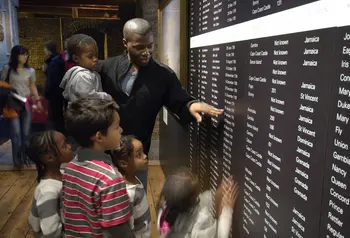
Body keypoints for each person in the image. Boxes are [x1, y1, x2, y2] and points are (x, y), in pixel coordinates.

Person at [97, 18, 223, 189]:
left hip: (137, 155)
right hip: (104, 152)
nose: (146, 52)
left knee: (137, 199)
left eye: (150, 46)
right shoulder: (106, 68)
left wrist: (191, 105)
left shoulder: (163, 75)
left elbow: (179, 101)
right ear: (125, 43)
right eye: (139, 47)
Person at [61, 98, 133, 237]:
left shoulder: (69, 168)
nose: (121, 130)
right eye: (117, 127)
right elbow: (119, 231)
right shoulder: (110, 179)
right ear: (99, 137)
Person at [157, 167, 239, 238]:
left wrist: (215, 196)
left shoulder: (166, 211)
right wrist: (227, 211)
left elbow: (198, 200)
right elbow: (221, 236)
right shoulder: (200, 222)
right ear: (193, 199)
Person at [26, 130, 74, 237]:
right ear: (50, 158)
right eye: (64, 145)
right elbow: (51, 233)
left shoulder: (62, 174)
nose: (70, 146)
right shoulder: (48, 192)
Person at [1, 45, 42, 167]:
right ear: (15, 55)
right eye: (23, 54)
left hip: (26, 103)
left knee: (26, 133)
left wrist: (37, 99)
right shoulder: (8, 69)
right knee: (16, 133)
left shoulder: (30, 71)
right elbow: (3, 85)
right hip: (12, 104)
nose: (26, 56)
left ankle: (25, 157)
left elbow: (32, 85)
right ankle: (17, 160)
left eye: (26, 54)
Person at [108, 135, 151, 238]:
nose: (145, 156)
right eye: (139, 154)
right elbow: (127, 228)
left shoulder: (134, 178)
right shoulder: (128, 193)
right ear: (123, 164)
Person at [59, 34, 111, 106]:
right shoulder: (81, 76)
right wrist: (107, 97)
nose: (95, 59)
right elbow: (89, 97)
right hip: (83, 114)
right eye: (90, 57)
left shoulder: (89, 72)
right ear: (76, 58)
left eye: (96, 55)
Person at [43, 40, 66, 133]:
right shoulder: (58, 60)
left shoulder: (54, 63)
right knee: (59, 114)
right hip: (59, 91)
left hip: (54, 93)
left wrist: (47, 92)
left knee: (56, 115)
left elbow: (52, 80)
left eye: (45, 49)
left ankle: (59, 134)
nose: (44, 51)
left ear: (49, 50)